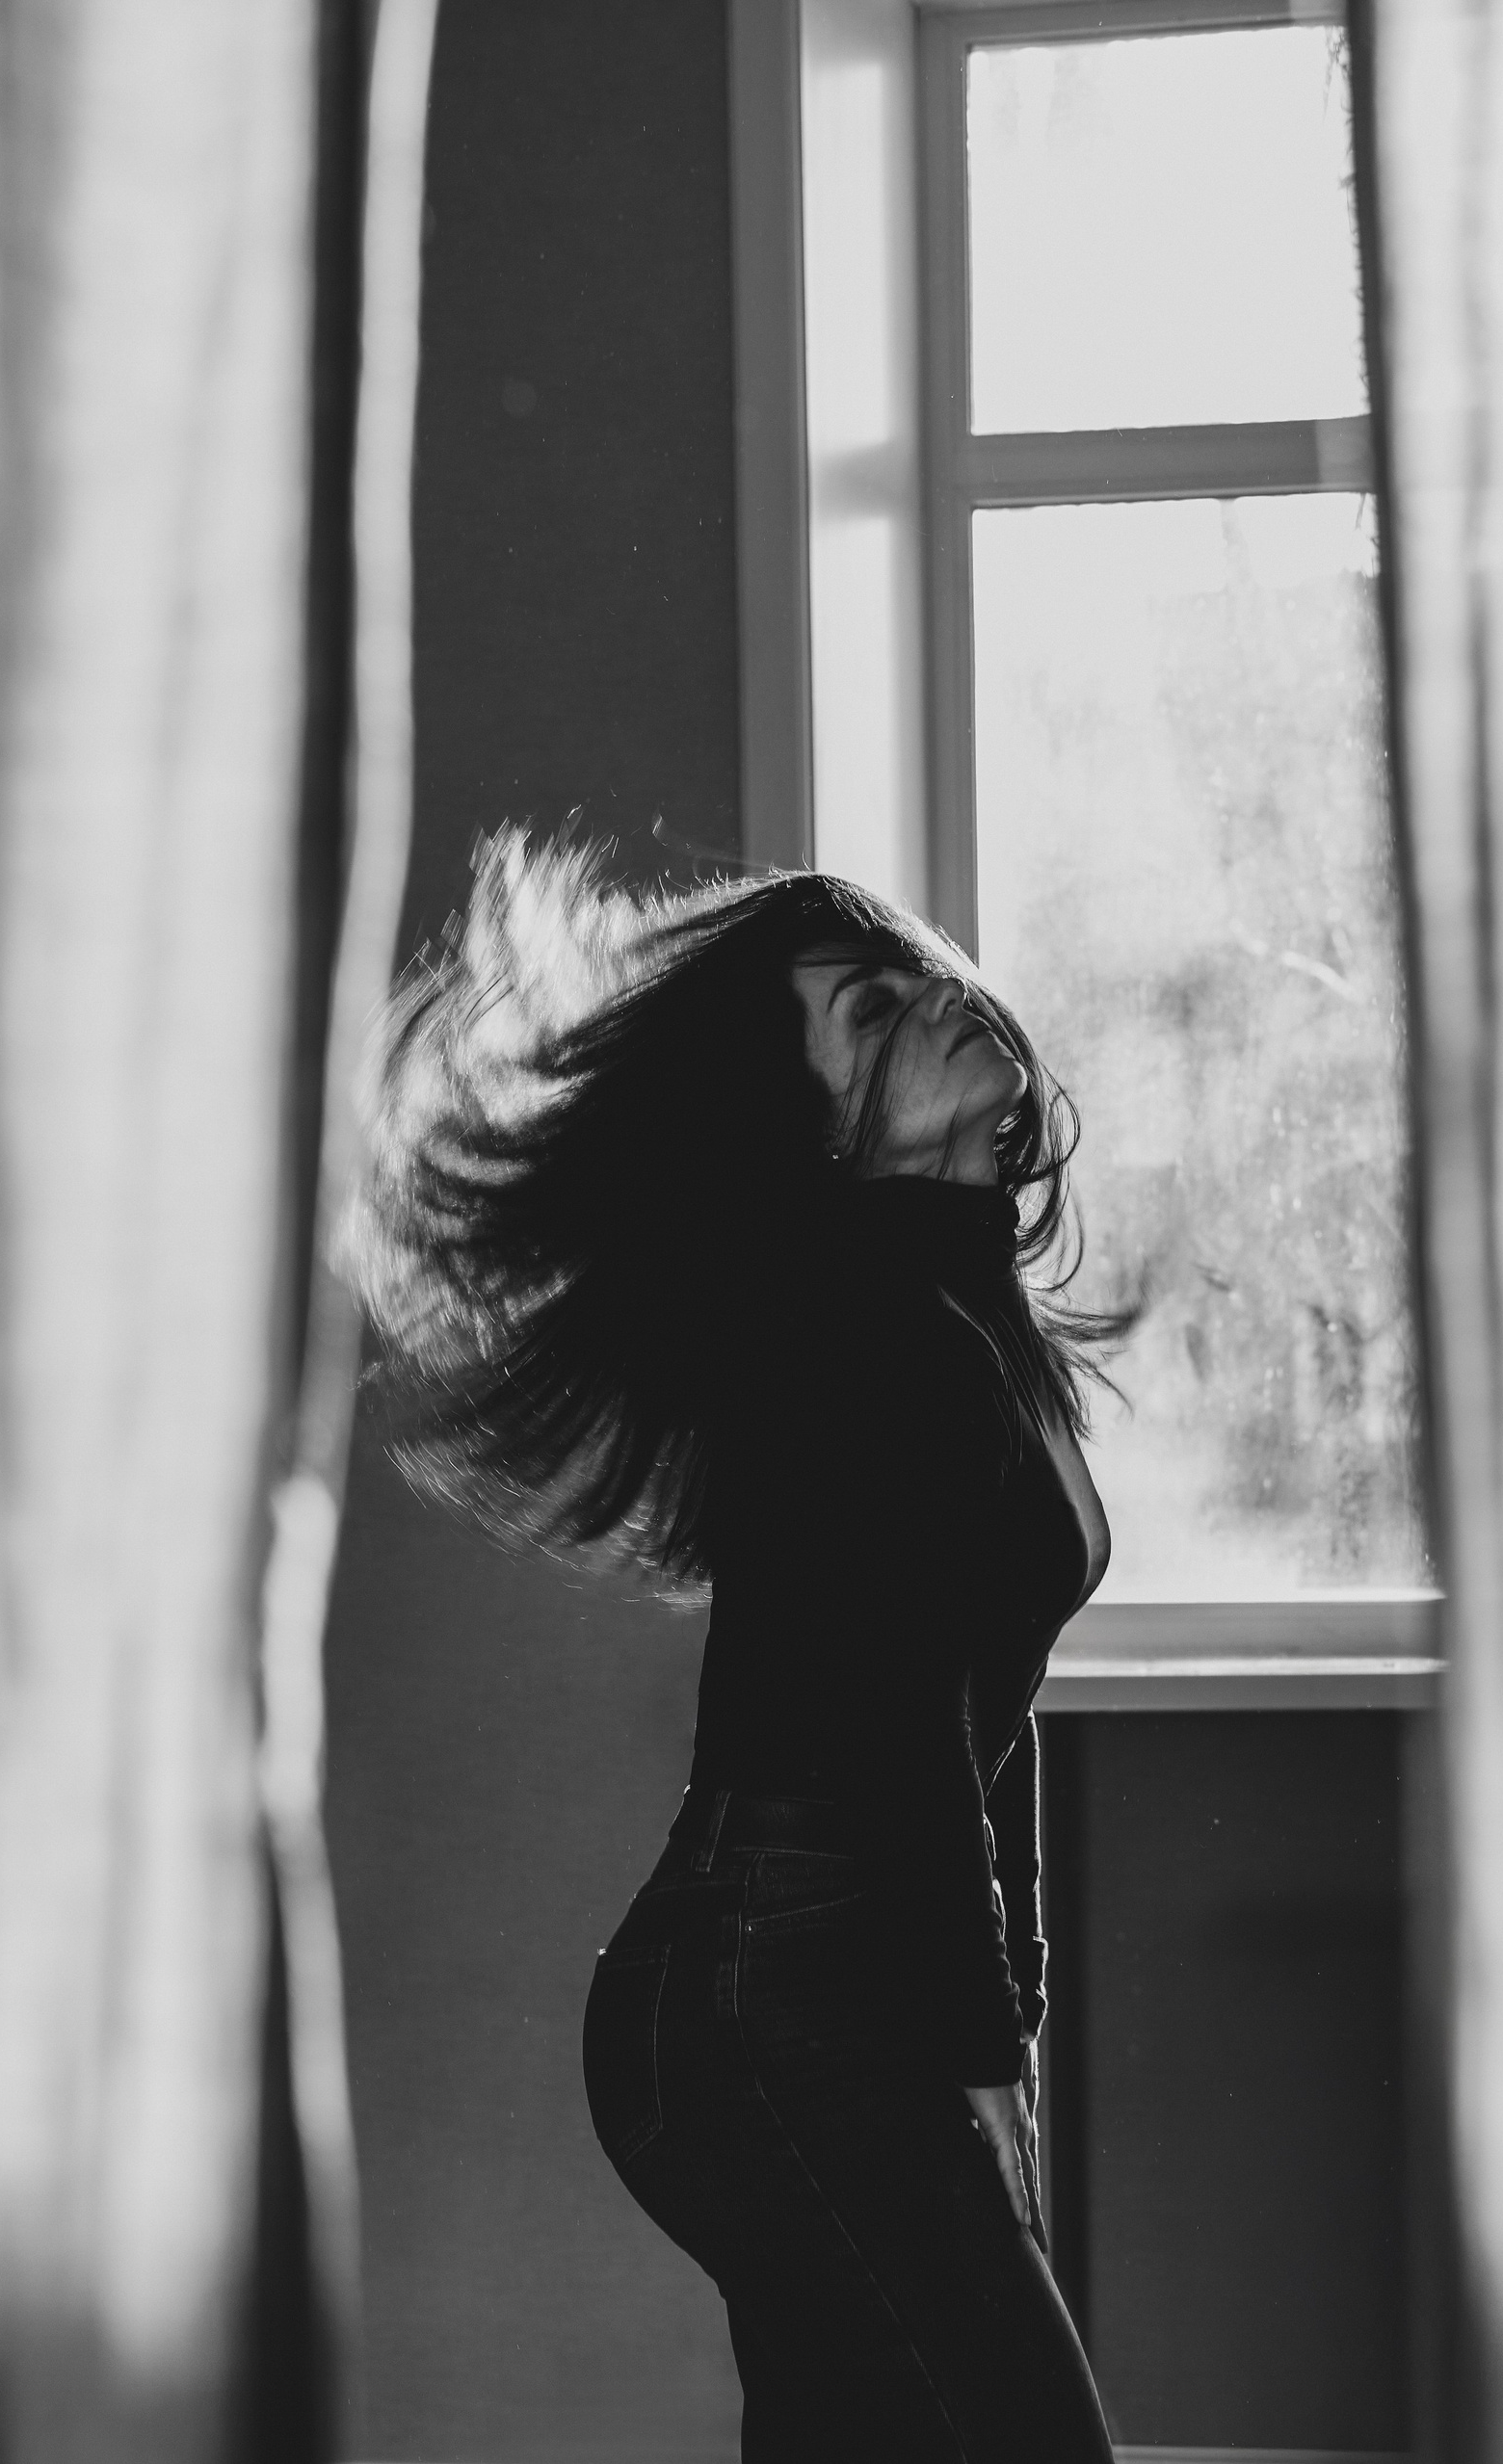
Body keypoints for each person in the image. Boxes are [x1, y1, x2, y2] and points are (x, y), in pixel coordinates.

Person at [351, 832, 1117, 2462]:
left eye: (909, 969)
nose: (932, 995)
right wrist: (982, 2041)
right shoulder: (867, 1335)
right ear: (814, 1133)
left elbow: (993, 1699)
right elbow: (905, 1732)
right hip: (772, 1995)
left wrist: (1016, 2004)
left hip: (803, 1977)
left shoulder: (965, 1320)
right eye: (865, 1014)